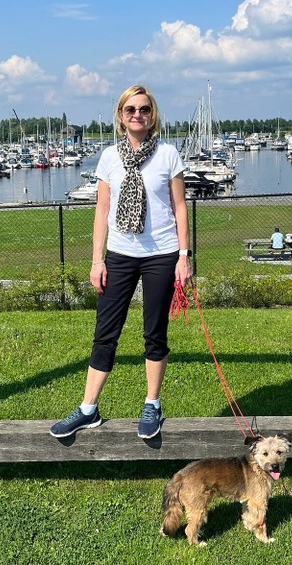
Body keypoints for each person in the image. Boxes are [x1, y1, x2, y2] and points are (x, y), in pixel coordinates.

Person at [50, 85, 193, 440]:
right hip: (119, 254)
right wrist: (97, 259)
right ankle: (88, 409)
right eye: (131, 110)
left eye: (144, 109)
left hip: (161, 254)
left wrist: (184, 257)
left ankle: (152, 404)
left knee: (154, 334)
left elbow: (179, 208)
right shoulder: (109, 158)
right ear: (120, 116)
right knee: (105, 333)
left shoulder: (168, 155)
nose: (137, 115)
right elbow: (101, 211)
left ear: (152, 115)